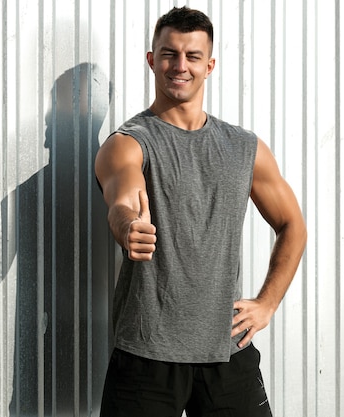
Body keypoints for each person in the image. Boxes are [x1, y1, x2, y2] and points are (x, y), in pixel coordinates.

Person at [95, 6, 307, 417]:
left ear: (209, 66)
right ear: (152, 60)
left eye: (192, 56)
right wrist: (127, 225)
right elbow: (122, 196)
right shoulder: (129, 142)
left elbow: (292, 224)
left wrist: (267, 302)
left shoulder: (244, 147)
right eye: (169, 54)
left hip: (228, 353)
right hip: (147, 356)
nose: (180, 65)